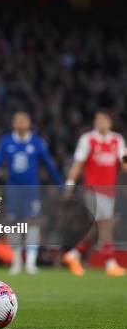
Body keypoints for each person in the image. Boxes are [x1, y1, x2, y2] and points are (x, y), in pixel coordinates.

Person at [0, 112, 63, 274]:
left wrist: (60, 185)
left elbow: (50, 165)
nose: (21, 123)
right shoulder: (6, 141)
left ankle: (30, 262)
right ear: (13, 124)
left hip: (31, 189)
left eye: (24, 120)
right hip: (13, 189)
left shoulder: (37, 142)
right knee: (14, 223)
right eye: (18, 120)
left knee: (32, 222)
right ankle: (16, 260)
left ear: (29, 124)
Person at [63, 111, 127, 277]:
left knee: (98, 228)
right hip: (92, 189)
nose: (101, 123)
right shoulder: (87, 139)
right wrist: (69, 184)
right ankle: (110, 263)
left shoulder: (117, 140)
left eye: (104, 120)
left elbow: (124, 161)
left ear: (110, 122)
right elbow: (78, 163)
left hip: (109, 190)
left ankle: (74, 254)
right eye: (98, 120)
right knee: (106, 224)